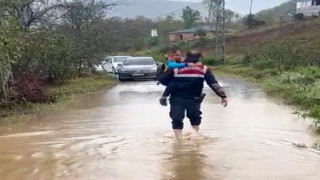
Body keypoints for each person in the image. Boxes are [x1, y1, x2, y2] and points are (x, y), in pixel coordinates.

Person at [159, 50, 228, 140]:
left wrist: (173, 83)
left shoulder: (175, 67)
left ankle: (179, 140)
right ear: (199, 58)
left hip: (177, 97)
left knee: (177, 118)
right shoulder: (204, 68)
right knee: (195, 118)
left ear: (186, 56)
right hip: (194, 98)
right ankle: (193, 137)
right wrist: (223, 96)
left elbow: (163, 80)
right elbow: (213, 84)